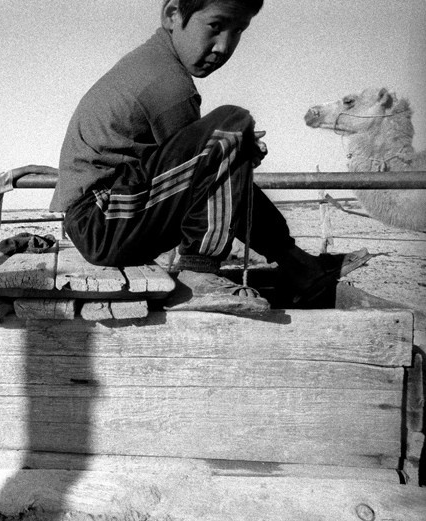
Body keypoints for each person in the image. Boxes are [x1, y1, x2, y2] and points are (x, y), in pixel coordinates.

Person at [49, 0, 369, 312]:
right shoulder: (167, 83)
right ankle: (201, 274)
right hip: (103, 219)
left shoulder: (152, 62)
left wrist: (232, 153)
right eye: (215, 26)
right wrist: (233, 147)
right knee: (232, 124)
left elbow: (210, 177)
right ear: (173, 14)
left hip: (102, 219)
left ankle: (298, 265)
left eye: (238, 31)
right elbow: (209, 174)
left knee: (228, 143)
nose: (223, 46)